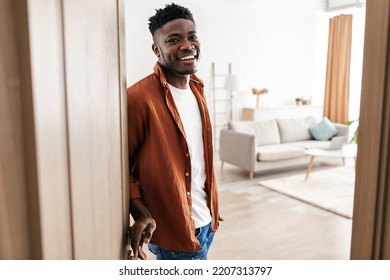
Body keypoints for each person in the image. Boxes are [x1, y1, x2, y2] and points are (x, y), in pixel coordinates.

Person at [127, 3, 221, 260]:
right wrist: (140, 212)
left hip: (206, 221)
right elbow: (119, 166)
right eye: (174, 40)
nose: (187, 45)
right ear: (156, 49)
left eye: (192, 36)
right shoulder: (138, 98)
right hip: (174, 230)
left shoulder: (197, 89)